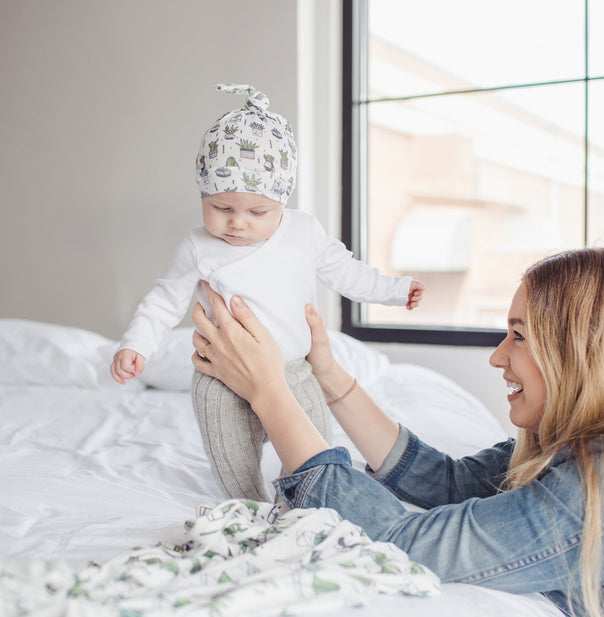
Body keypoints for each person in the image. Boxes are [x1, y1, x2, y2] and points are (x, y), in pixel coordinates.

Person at [190, 246, 604, 617]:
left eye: (519, 336)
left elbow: (400, 544)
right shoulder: (579, 445)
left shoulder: (603, 484)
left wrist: (269, 393)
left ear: (580, 353)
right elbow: (449, 481)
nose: (497, 356)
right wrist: (329, 375)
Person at [110, 83, 424, 502]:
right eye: (221, 208)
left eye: (257, 211)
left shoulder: (303, 232)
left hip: (294, 370)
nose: (237, 223)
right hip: (220, 380)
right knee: (235, 469)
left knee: (317, 456)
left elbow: (347, 273)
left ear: (282, 200)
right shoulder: (198, 246)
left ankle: (303, 507)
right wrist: (136, 345)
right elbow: (164, 300)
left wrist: (396, 291)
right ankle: (254, 512)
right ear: (203, 193)